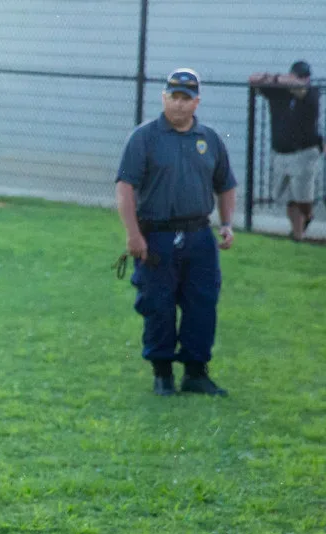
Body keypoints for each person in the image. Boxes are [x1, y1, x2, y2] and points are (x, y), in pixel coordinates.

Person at [114, 69, 237, 397]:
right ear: (163, 97)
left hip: (199, 236)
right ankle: (162, 373)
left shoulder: (209, 139)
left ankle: (196, 373)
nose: (179, 104)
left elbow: (226, 185)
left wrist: (226, 224)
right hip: (157, 238)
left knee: (202, 304)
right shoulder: (144, 138)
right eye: (174, 97)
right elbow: (125, 187)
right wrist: (133, 234)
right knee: (158, 304)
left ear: (197, 102)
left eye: (186, 98)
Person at [248, 60, 323, 242]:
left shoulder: (311, 94)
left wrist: (285, 80)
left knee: (301, 197)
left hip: (304, 153)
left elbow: (301, 89)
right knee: (288, 198)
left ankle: (304, 222)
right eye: (298, 76)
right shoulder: (278, 91)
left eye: (305, 77)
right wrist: (275, 78)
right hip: (280, 153)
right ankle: (298, 234)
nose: (302, 80)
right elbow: (253, 79)